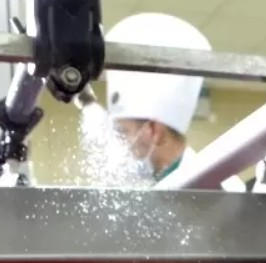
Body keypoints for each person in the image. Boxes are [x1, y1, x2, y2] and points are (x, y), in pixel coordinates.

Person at [104, 13, 244, 192]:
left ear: (154, 130)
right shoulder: (143, 186)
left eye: (123, 132)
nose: (119, 142)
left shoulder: (220, 189)